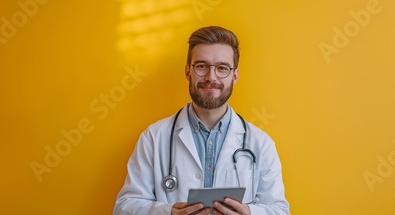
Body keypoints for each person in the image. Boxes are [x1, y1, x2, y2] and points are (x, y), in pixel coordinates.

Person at [113, 26, 290, 215]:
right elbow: (124, 208)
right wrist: (168, 212)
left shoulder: (260, 143)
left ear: (235, 76)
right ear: (188, 72)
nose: (211, 77)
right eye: (201, 66)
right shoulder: (154, 137)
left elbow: (280, 210)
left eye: (222, 68)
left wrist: (249, 213)